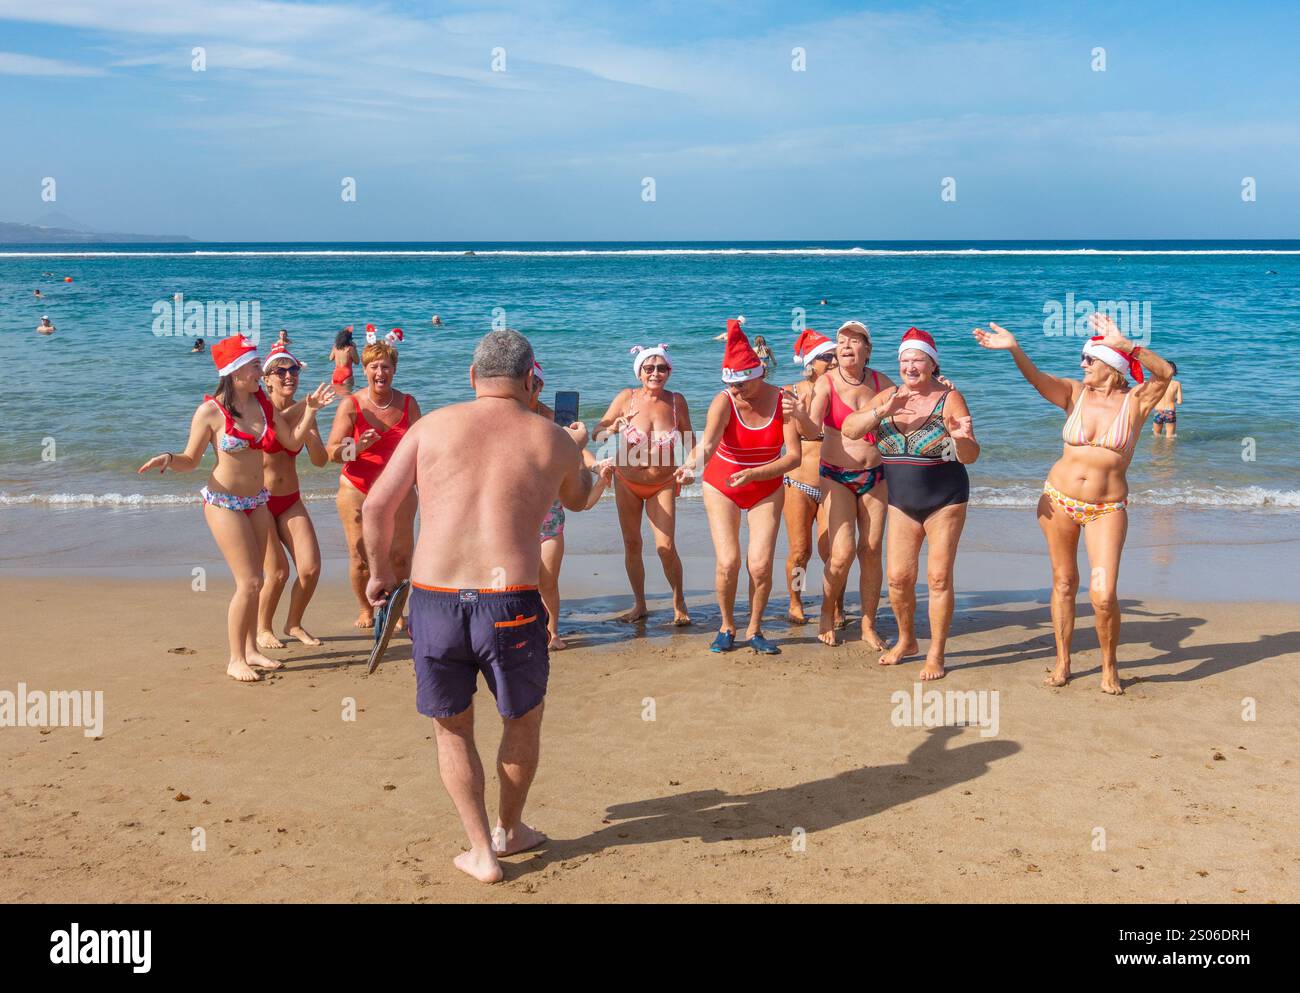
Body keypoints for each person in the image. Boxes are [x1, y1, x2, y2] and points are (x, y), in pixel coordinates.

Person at [361, 328, 597, 884]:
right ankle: (509, 830)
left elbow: (376, 506)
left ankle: (479, 852)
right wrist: (588, 455)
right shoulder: (552, 439)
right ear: (530, 379)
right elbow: (579, 499)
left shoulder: (430, 426)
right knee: (522, 719)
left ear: (473, 377)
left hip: (436, 598)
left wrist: (379, 574)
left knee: (452, 730)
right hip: (510, 601)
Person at [973, 315, 1172, 694]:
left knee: (1103, 595)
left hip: (1106, 509)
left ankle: (1108, 666)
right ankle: (1063, 661)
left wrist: (1128, 345)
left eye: (1089, 359)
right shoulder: (1073, 393)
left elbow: (1164, 374)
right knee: (1064, 582)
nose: (1082, 364)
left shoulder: (1136, 402)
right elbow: (1035, 379)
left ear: (1112, 367)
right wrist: (1014, 348)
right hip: (1059, 501)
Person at [138, 335, 334, 681]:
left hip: (256, 499)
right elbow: (191, 459)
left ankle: (252, 651)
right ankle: (235, 659)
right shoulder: (211, 411)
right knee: (249, 581)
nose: (262, 371)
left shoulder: (262, 403)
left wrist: (312, 412)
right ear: (235, 371)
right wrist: (169, 458)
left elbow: (290, 441)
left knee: (258, 583)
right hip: (223, 501)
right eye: (256, 365)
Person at [842, 328, 979, 680]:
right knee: (899, 579)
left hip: (945, 500)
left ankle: (936, 653)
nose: (910, 366)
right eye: (904, 360)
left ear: (932, 364)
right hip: (901, 501)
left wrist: (960, 438)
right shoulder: (888, 395)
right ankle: (907, 641)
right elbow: (850, 430)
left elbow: (970, 455)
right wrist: (881, 411)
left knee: (937, 578)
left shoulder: (949, 399)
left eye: (918, 359)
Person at [678, 318, 802, 655]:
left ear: (758, 376)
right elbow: (706, 445)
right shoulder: (724, 401)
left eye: (742, 386)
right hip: (723, 484)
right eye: (730, 385)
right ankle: (727, 625)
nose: (735, 391)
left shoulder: (783, 400)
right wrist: (690, 466)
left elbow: (793, 458)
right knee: (728, 561)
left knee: (760, 564)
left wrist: (756, 474)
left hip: (765, 485)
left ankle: (755, 629)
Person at [785, 320, 894, 649]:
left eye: (854, 340)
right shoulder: (826, 384)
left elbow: (909, 400)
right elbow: (810, 428)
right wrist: (800, 414)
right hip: (832, 477)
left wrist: (937, 385)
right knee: (835, 552)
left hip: (874, 476)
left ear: (868, 350)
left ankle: (868, 624)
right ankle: (822, 610)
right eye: (841, 341)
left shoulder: (880, 382)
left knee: (871, 552)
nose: (845, 346)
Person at [326, 332, 421, 628]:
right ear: (364, 370)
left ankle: (395, 611)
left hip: (399, 487)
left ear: (394, 370)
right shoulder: (352, 405)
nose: (380, 373)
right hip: (357, 486)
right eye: (374, 367)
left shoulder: (408, 404)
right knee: (360, 555)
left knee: (401, 556)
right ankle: (366, 610)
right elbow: (332, 453)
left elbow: (422, 447)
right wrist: (359, 448)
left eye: (386, 367)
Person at [593, 344, 693, 626]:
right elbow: (596, 433)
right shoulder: (627, 398)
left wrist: (689, 467)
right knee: (632, 543)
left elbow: (690, 441)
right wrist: (611, 429)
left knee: (666, 546)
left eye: (662, 368)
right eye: (649, 368)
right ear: (639, 372)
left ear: (669, 371)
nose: (656, 373)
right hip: (627, 481)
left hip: (662, 483)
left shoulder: (676, 402)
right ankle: (640, 604)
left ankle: (679, 602)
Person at [530, 360, 612, 648]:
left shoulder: (554, 420)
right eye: (529, 381)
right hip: (514, 516)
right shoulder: (509, 416)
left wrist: (596, 467)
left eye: (538, 383)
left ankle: (552, 633)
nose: (533, 388)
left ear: (540, 386)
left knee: (548, 581)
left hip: (550, 517)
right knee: (514, 582)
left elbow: (579, 450)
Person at [256, 343, 330, 649]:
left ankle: (293, 622)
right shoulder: (258, 409)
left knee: (310, 568)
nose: (289, 376)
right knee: (276, 573)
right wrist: (307, 410)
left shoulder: (306, 410)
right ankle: (262, 629)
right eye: (281, 371)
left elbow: (320, 461)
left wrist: (311, 432)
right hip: (259, 502)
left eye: (294, 370)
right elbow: (278, 421)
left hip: (290, 500)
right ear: (267, 379)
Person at [782, 329, 839, 626]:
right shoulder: (791, 392)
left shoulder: (843, 390)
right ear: (811, 362)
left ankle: (835, 604)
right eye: (826, 357)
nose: (833, 361)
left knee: (833, 551)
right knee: (800, 551)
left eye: (835, 356)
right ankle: (796, 599)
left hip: (833, 484)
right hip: (798, 484)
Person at [1152, 362, 1182, 437]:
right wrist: (1173, 399)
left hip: (1158, 411)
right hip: (1170, 411)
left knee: (1156, 436)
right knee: (1170, 437)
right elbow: (1179, 402)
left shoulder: (1157, 383)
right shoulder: (1176, 384)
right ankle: (1168, 449)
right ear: (1174, 371)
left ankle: (1157, 449)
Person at [329, 326, 360, 394]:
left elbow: (330, 358)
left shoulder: (335, 347)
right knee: (347, 398)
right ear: (349, 339)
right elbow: (357, 362)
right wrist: (355, 348)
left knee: (336, 399)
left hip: (336, 374)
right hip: (346, 375)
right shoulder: (350, 349)